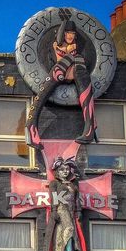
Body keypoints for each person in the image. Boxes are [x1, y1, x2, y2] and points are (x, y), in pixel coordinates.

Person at [25, 9, 96, 149]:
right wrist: (70, 57)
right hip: (60, 72)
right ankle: (90, 126)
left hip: (68, 72)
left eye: (73, 33)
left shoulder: (74, 46)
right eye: (68, 33)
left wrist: (70, 58)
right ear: (63, 33)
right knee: (73, 62)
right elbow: (60, 61)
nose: (70, 36)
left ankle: (30, 125)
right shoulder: (56, 45)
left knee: (77, 65)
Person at [44, 157, 83, 251]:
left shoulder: (73, 183)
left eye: (67, 169)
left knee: (71, 238)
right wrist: (54, 211)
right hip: (61, 212)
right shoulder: (54, 183)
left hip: (71, 213)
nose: (65, 171)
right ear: (57, 171)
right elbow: (54, 198)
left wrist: (79, 211)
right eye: (62, 169)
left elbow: (77, 200)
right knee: (63, 236)